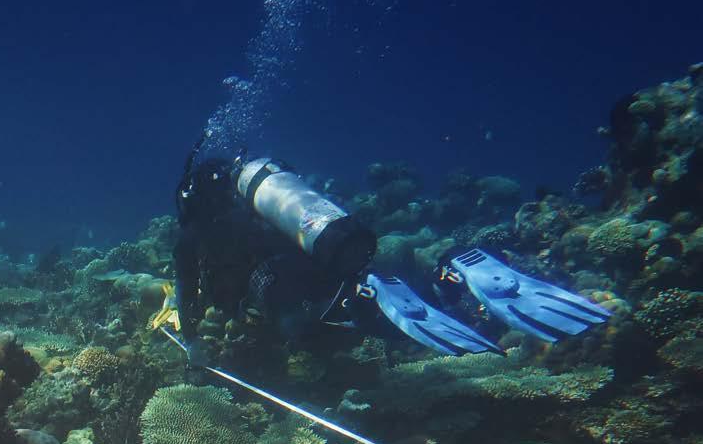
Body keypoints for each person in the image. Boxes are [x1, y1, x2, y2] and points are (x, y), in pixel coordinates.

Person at [154, 145, 611, 358]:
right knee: (363, 295)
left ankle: (361, 302)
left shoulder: (193, 236)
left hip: (281, 284)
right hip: (322, 260)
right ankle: (449, 273)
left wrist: (191, 341)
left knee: (309, 331)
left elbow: (187, 293)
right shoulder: (260, 208)